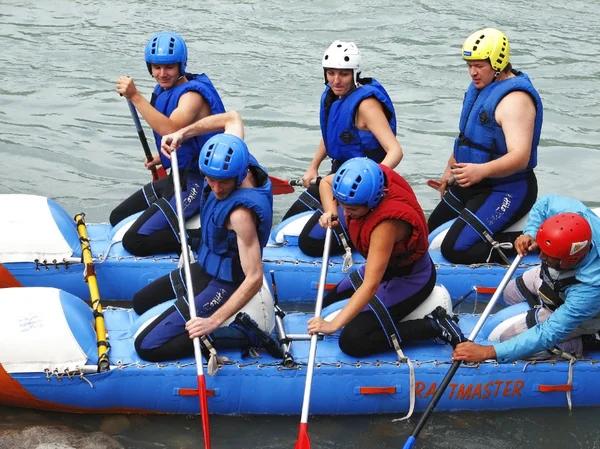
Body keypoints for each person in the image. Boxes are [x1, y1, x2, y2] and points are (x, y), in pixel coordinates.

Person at [133, 111, 278, 362]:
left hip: (226, 283)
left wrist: (213, 321)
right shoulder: (233, 151)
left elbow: (254, 277)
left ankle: (243, 335)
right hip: (206, 265)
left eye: (224, 182)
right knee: (140, 301)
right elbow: (232, 118)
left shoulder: (241, 215)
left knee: (147, 346)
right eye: (211, 180)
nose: (217, 188)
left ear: (241, 174)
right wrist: (181, 133)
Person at [306, 158, 464, 358]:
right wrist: (330, 210)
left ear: (372, 201)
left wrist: (333, 325)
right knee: (326, 304)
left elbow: (371, 285)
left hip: (411, 278)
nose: (346, 214)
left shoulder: (385, 225)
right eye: (342, 206)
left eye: (352, 210)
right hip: (385, 266)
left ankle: (433, 325)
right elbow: (326, 183)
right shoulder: (369, 175)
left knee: (352, 340)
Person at [428, 28, 542, 265]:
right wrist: (448, 173)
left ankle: (533, 241)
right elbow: (468, 138)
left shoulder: (515, 100)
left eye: (479, 65)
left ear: (498, 62)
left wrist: (480, 171)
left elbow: (521, 157)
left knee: (454, 249)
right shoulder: (480, 89)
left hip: (508, 189)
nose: (472, 72)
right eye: (469, 65)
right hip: (472, 182)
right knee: (431, 230)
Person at [110, 31, 226, 257]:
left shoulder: (192, 96)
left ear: (181, 65)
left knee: (134, 241)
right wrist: (160, 157)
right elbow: (181, 139)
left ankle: (202, 239)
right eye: (156, 67)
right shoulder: (164, 89)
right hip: (176, 177)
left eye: (169, 67)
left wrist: (135, 96)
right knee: (117, 217)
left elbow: (171, 129)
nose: (162, 74)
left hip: (198, 183)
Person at [283, 40, 403, 258]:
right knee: (286, 223)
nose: (336, 81)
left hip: (363, 187)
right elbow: (333, 135)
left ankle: (369, 234)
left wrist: (371, 181)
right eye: (331, 73)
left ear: (355, 75)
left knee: (309, 242)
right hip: (336, 177)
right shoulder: (335, 97)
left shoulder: (366, 105)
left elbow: (395, 151)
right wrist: (313, 166)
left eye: (343, 75)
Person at [453, 195, 600, 364]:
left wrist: (489, 352)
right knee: (509, 293)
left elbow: (548, 332)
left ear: (570, 259)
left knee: (506, 337)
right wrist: (530, 232)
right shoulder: (576, 214)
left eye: (548, 255)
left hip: (584, 310)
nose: (540, 256)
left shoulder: (590, 289)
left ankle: (585, 340)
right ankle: (542, 305)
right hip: (556, 278)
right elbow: (544, 204)